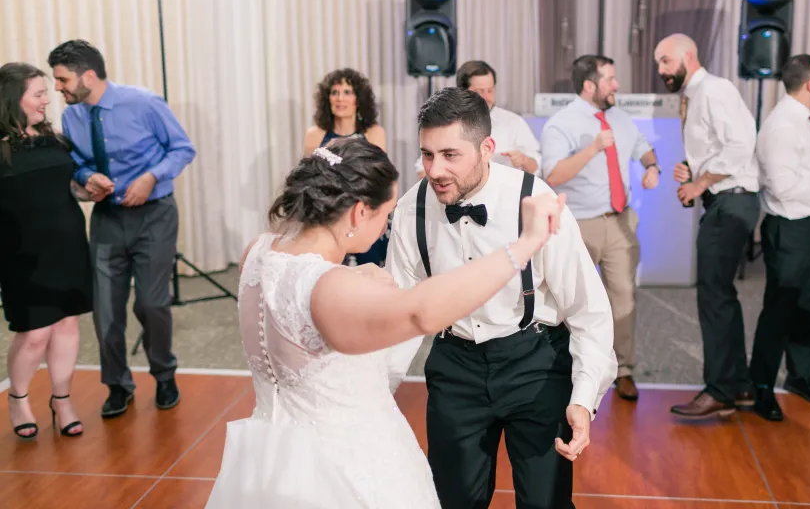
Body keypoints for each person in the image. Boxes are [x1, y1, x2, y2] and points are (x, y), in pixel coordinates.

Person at [206, 136, 569, 508]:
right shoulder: (330, 287)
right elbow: (420, 311)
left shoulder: (259, 251)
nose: (387, 226)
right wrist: (523, 245)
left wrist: (356, 280)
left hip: (271, 462)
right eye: (387, 214)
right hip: (345, 468)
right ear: (359, 212)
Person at [385, 88, 616, 508]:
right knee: (453, 500)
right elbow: (401, 314)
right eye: (427, 154)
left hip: (535, 363)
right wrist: (376, 394)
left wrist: (583, 398)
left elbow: (588, 310)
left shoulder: (536, 200)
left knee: (545, 503)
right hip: (455, 366)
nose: (434, 170)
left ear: (487, 148)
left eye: (450, 155)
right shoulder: (410, 209)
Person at [50, 40, 196, 418]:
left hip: (155, 215)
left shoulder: (144, 103)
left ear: (88, 75)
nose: (57, 88)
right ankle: (117, 384)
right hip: (107, 219)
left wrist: (151, 176)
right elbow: (76, 161)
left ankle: (165, 375)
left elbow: (182, 148)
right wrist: (87, 175)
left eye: (62, 79)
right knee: (105, 310)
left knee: (150, 303)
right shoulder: (72, 116)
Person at [540, 54, 660, 401]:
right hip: (579, 226)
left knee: (623, 298)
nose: (617, 85)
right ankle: (562, 372)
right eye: (610, 79)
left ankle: (624, 370)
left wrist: (653, 168)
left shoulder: (620, 119)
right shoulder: (561, 124)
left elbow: (643, 149)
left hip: (620, 223)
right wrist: (593, 147)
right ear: (589, 85)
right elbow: (553, 175)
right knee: (569, 300)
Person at [657, 34, 760, 419]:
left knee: (714, 297)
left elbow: (741, 145)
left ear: (688, 55)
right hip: (724, 199)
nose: (661, 70)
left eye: (665, 61)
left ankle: (720, 389)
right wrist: (692, 170)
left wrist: (699, 183)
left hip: (731, 201)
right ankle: (740, 386)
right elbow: (717, 148)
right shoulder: (695, 95)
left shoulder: (715, 89)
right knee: (721, 295)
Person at [749, 55, 810, 421]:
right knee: (780, 311)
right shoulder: (782, 125)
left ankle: (800, 377)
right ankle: (761, 387)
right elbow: (783, 186)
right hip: (788, 231)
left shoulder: (802, 120)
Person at [0, 62, 92, 440]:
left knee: (68, 322)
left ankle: (61, 399)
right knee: (35, 332)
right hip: (21, 253)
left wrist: (91, 190)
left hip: (67, 244)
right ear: (13, 99)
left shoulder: (52, 135)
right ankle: (17, 398)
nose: (47, 98)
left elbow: (67, 186)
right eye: (38, 93)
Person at [303, 68, 389, 266]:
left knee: (370, 274)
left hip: (364, 213)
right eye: (335, 92)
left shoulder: (374, 133)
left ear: (359, 99)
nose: (339, 98)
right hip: (327, 215)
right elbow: (310, 181)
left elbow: (377, 180)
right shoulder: (314, 135)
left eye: (347, 92)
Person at [415, 60, 540, 178]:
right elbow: (422, 171)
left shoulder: (513, 123)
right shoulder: (446, 123)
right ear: (462, 92)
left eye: (490, 90)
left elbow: (537, 168)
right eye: (480, 91)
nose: (486, 97)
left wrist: (524, 160)